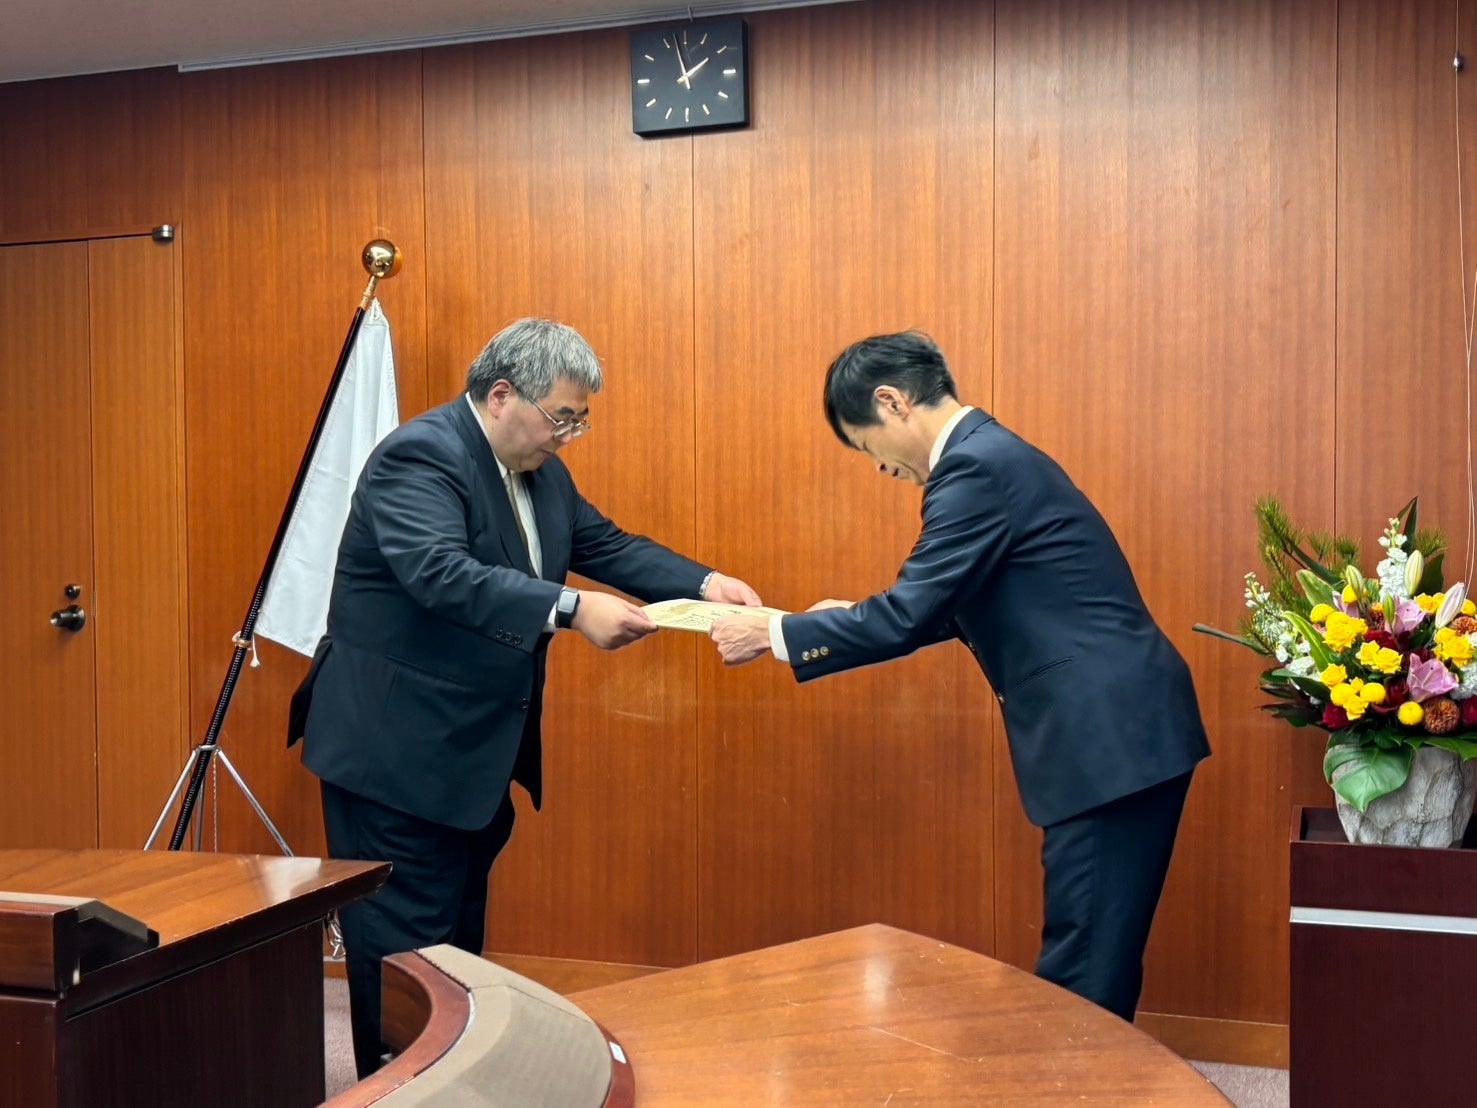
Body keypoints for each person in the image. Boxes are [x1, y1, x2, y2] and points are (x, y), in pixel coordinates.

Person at [289, 318, 760, 1078]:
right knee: (404, 946)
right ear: (502, 394)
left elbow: (607, 545)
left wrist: (705, 583)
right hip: (394, 753)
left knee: (452, 944)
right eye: (561, 417)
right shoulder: (421, 456)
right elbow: (441, 573)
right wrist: (571, 609)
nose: (568, 437)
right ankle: (395, 1085)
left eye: (579, 420)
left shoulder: (541, 473)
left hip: (469, 756)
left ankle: (446, 1079)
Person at [710, 329, 1208, 1022]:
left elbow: (909, 614)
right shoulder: (992, 455)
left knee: (1085, 960)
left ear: (892, 402)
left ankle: (1074, 1080)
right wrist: (846, 616)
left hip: (1106, 737)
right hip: (1122, 728)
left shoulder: (974, 468)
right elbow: (947, 603)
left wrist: (773, 634)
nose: (879, 468)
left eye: (865, 446)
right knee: (1098, 949)